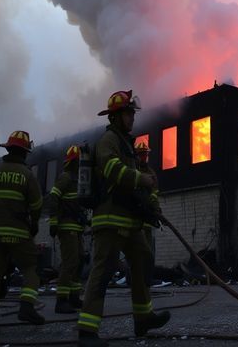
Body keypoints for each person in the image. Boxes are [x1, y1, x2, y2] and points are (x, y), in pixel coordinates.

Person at [77, 90, 170, 347]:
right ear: (115, 116)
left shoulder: (127, 143)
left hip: (130, 221)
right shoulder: (108, 140)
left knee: (142, 261)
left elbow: (137, 185)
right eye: (128, 113)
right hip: (110, 219)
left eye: (132, 113)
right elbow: (112, 169)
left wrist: (150, 206)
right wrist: (141, 178)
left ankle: (143, 318)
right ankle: (87, 331)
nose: (132, 118)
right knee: (103, 270)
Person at [0, 130, 45, 339]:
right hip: (18, 232)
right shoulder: (27, 174)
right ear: (24, 152)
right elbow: (37, 204)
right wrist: (34, 223)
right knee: (30, 268)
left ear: (8, 149)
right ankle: (27, 307)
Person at [46, 144, 86, 313]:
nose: (80, 165)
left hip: (76, 226)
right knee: (70, 262)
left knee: (79, 260)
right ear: (73, 162)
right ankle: (61, 301)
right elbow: (53, 197)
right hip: (67, 225)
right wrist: (53, 221)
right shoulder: (66, 177)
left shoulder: (79, 179)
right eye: (78, 162)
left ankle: (74, 297)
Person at [134, 141, 161, 286]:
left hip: (147, 220)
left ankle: (147, 278)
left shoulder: (151, 173)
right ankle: (135, 278)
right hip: (135, 219)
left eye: (145, 154)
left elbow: (154, 194)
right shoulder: (131, 171)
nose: (144, 157)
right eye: (141, 154)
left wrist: (156, 209)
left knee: (149, 251)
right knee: (136, 252)